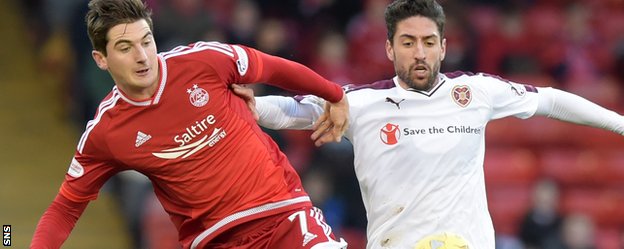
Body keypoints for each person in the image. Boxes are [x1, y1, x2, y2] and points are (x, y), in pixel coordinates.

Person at [231, 0, 624, 248]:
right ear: (389, 48)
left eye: (428, 41)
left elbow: (551, 100)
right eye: (407, 42)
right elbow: (294, 109)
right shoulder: (359, 103)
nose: (419, 53)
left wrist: (620, 123)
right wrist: (253, 108)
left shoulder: (476, 92)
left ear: (443, 46)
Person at [30, 0, 350, 248]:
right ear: (101, 59)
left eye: (146, 41)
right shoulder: (106, 132)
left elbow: (272, 68)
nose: (142, 56)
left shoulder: (203, 62)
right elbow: (65, 209)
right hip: (216, 239)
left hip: (286, 216)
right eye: (125, 48)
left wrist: (334, 95)